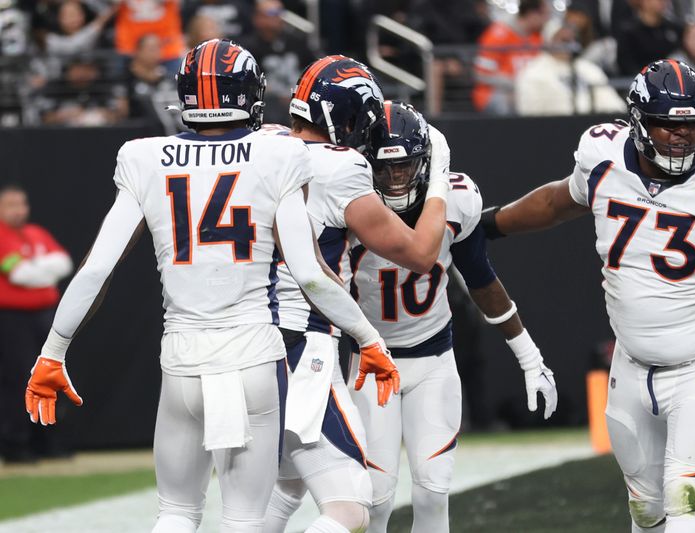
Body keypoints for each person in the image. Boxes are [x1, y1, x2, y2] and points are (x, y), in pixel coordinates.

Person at [23, 39, 399, 533]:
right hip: (253, 358)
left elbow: (96, 270)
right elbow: (308, 273)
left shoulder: (144, 157)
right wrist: (369, 339)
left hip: (181, 358)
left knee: (176, 514)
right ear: (251, 95)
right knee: (244, 519)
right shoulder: (278, 155)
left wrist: (53, 351)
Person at [480, 59, 695, 533]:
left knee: (687, 501)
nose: (680, 136)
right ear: (637, 121)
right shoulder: (603, 157)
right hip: (632, 366)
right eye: (667, 125)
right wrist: (488, 225)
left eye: (690, 126)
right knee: (647, 509)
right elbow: (556, 202)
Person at [347, 102, 557, 532]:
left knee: (432, 489)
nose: (394, 179)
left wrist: (529, 355)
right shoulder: (348, 200)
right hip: (370, 362)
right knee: (375, 496)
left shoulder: (456, 198)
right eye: (384, 170)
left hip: (433, 360)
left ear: (424, 162)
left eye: (404, 167)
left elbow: (481, 279)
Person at [263, 59, 451, 533]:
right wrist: (441, 173)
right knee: (352, 505)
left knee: (275, 493)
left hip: (244, 337)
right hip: (303, 341)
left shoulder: (259, 144)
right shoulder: (340, 166)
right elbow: (421, 253)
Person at [0, 183, 73, 462]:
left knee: (50, 375)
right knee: (19, 378)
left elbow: (64, 263)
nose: (19, 210)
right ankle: (15, 444)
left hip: (45, 315)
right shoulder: (2, 235)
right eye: (11, 205)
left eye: (22, 204)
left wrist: (37, 270)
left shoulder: (36, 233)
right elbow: (18, 274)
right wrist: (45, 270)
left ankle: (47, 441)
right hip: (12, 319)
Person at [472, 0, 549, 115]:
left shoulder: (539, 37)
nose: (547, 20)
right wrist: (514, 83)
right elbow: (480, 74)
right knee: (514, 102)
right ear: (531, 14)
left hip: (528, 91)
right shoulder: (498, 34)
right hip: (496, 93)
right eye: (544, 15)